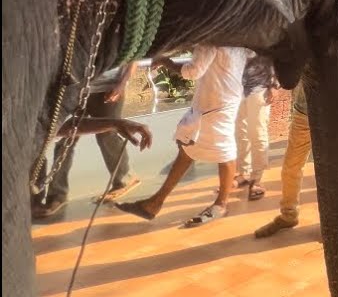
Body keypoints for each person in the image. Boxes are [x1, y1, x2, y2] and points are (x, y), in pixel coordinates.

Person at [117, 46, 252, 226]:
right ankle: (155, 202)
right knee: (188, 149)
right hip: (221, 99)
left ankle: (221, 205)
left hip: (215, 103)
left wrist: (165, 61)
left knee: (224, 151)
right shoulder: (237, 39)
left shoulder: (212, 41)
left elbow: (192, 72)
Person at [31, 61, 142, 219]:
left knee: (107, 134)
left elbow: (134, 59)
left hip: (108, 89)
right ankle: (57, 194)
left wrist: (122, 84)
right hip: (76, 89)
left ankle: (125, 178)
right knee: (65, 140)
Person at [254, 78, 313, 238]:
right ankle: (288, 215)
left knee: (335, 172)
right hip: (303, 114)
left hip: (333, 116)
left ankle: (337, 222)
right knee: (290, 168)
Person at [235, 52, 277, 201]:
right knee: (240, 133)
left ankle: (257, 179)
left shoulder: (259, 31)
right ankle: (243, 173)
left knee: (257, 134)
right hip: (238, 89)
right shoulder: (235, 33)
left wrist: (273, 85)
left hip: (260, 88)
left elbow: (275, 52)